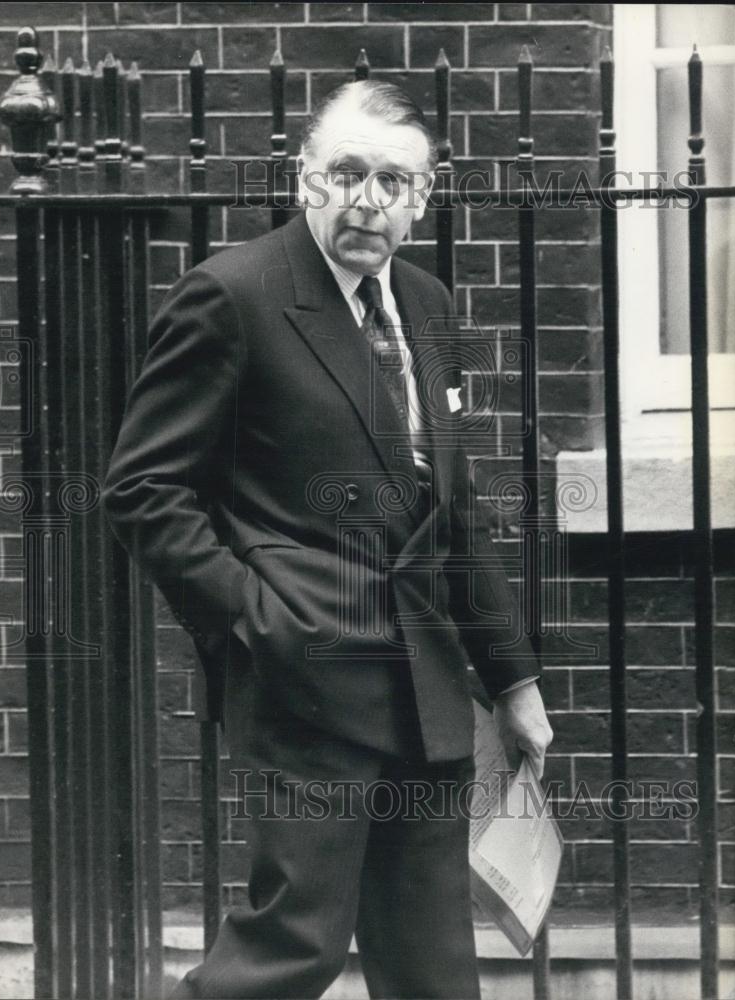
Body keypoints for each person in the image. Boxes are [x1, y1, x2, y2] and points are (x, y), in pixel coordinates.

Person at [102, 79, 553, 1000]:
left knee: (433, 968)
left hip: (426, 692)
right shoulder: (232, 295)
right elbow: (143, 487)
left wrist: (513, 680)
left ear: (424, 198)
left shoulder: (427, 306)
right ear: (303, 180)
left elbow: (454, 510)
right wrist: (255, 615)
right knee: (289, 951)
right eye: (345, 173)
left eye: (393, 181)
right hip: (304, 685)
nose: (368, 200)